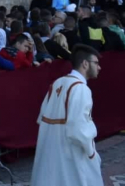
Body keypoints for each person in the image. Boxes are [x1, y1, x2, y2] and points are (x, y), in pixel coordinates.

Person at [30, 45, 102, 185]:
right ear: (85, 63)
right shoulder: (81, 89)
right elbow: (79, 130)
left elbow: (41, 118)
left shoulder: (57, 83)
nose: (99, 67)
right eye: (96, 63)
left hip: (51, 155)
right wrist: (91, 153)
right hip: (72, 158)